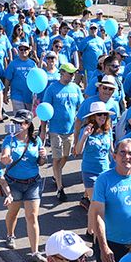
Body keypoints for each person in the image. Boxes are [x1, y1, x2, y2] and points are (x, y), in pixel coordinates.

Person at [2, 110, 47, 262]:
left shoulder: (36, 141)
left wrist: (43, 156)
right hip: (14, 183)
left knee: (32, 216)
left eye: (19, 123)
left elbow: (41, 163)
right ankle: (10, 234)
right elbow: (5, 155)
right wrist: (5, 158)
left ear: (27, 125)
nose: (16, 125)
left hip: (33, 183)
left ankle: (34, 252)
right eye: (14, 122)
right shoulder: (9, 139)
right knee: (13, 213)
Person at [41, 62, 84, 201]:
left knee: (66, 156)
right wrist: (43, 130)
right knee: (56, 157)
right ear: (62, 73)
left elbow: (81, 107)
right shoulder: (52, 89)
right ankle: (60, 188)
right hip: (55, 130)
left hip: (70, 130)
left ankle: (56, 173)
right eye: (70, 73)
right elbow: (45, 110)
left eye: (73, 73)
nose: (72, 76)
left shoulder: (76, 88)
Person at [74, 101, 113, 209]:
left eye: (105, 114)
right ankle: (94, 224)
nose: (102, 117)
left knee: (105, 201)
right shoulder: (86, 129)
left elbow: (112, 149)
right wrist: (84, 136)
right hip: (90, 171)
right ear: (93, 117)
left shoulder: (108, 130)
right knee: (96, 204)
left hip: (105, 170)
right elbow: (78, 151)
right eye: (99, 114)